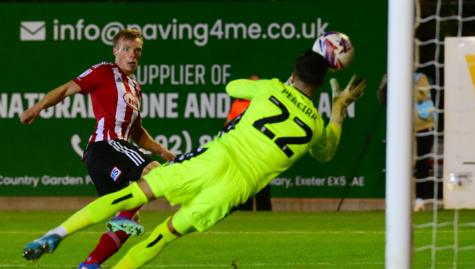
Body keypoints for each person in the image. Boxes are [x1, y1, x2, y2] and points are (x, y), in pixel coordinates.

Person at [22, 50, 366, 269]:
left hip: (214, 158)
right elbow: (328, 151)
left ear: (293, 75)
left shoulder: (272, 88)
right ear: (320, 85)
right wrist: (338, 109)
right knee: (163, 236)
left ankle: (57, 233)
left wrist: (269, 85)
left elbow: (233, 88)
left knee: (131, 195)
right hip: (235, 188)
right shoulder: (317, 126)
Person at [20, 28, 175, 269]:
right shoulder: (104, 71)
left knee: (130, 217)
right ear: (115, 51)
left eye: (137, 51)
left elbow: (137, 132)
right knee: (154, 172)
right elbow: (64, 90)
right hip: (106, 146)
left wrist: (162, 150)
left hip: (108, 155)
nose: (132, 55)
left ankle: (90, 264)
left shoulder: (135, 87)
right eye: (126, 50)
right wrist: (37, 108)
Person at [226, 74, 272, 211]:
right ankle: (244, 213)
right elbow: (228, 126)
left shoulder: (268, 103)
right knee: (245, 187)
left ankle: (265, 214)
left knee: (263, 187)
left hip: (263, 152)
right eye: (252, 85)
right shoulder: (238, 104)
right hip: (244, 152)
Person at [413, 72, 436, 211]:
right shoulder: (392, 74)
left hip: (424, 126)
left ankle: (420, 200)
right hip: (404, 129)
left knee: (422, 163)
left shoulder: (420, 78)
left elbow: (423, 96)